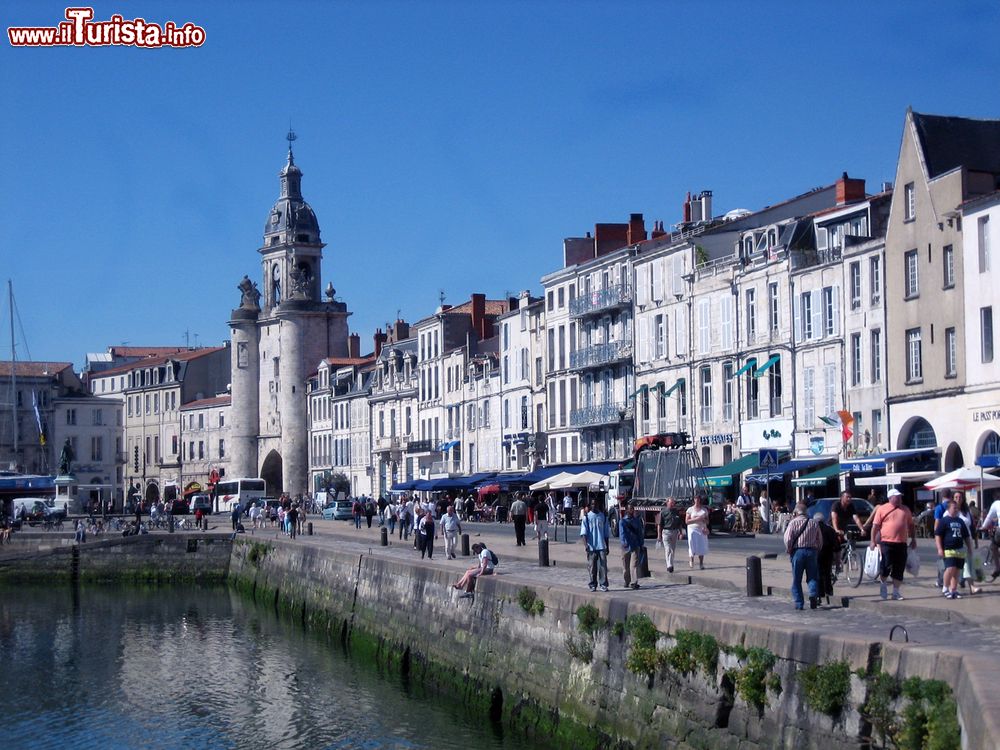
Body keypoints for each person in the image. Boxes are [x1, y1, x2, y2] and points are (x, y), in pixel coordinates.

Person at [869, 488, 917, 601]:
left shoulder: (905, 509)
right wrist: (872, 541)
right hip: (886, 542)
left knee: (899, 569)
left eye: (900, 497)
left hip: (901, 543)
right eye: (897, 497)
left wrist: (913, 539)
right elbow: (875, 526)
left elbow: (911, 525)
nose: (900, 498)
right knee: (886, 565)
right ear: (891, 498)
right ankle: (883, 583)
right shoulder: (882, 509)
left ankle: (896, 592)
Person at [783, 503, 824, 610]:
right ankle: (813, 594)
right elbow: (819, 539)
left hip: (798, 552)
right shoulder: (813, 523)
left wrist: (789, 549)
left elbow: (787, 539)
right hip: (812, 551)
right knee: (812, 577)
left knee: (797, 579)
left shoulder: (793, 523)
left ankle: (799, 603)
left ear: (796, 512)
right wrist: (817, 550)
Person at [935, 498, 974, 599]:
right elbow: (938, 535)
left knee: (957, 571)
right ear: (948, 509)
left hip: (960, 549)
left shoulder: (960, 521)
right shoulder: (944, 521)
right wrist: (939, 548)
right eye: (954, 508)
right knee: (950, 568)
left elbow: (966, 536)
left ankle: (954, 590)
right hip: (948, 549)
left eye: (957, 508)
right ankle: (945, 588)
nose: (956, 510)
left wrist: (969, 547)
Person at [580, 500, 610, 592]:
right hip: (591, 546)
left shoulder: (603, 516)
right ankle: (593, 584)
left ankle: (603, 584)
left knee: (603, 566)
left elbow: (606, 534)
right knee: (592, 567)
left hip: (601, 546)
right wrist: (586, 545)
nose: (594, 505)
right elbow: (583, 533)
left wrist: (607, 546)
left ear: (598, 505)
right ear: (590, 505)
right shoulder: (587, 517)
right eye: (592, 504)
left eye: (595, 504)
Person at [956, 496, 981, 595]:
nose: (958, 499)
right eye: (956, 497)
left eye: (960, 497)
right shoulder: (950, 512)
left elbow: (972, 528)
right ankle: (951, 584)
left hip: (967, 540)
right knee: (956, 565)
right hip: (955, 541)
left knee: (968, 564)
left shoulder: (967, 512)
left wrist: (975, 542)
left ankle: (971, 586)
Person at [814, 511, 839, 601]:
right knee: (827, 573)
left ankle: (819, 593)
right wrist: (837, 563)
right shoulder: (830, 530)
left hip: (816, 553)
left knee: (818, 573)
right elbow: (837, 547)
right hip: (828, 554)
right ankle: (828, 591)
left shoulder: (812, 529)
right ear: (823, 520)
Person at [620, 506, 645, 589]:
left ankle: (634, 582)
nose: (631, 511)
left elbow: (640, 533)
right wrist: (624, 543)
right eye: (630, 509)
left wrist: (641, 544)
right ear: (627, 510)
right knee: (625, 566)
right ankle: (627, 581)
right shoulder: (622, 521)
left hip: (635, 545)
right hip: (626, 547)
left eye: (632, 509)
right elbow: (622, 533)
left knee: (633, 565)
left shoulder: (636, 521)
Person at [656, 497, 683, 573]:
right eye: (671, 503)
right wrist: (659, 535)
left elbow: (680, 523)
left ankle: (670, 563)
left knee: (672, 550)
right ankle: (669, 565)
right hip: (666, 532)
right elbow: (659, 524)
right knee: (668, 549)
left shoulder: (676, 512)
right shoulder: (663, 512)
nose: (672, 504)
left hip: (674, 531)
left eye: (673, 503)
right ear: (667, 503)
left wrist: (681, 533)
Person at [685, 495, 710, 569]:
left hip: (701, 529)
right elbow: (687, 521)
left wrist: (703, 520)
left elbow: (707, 521)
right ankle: (691, 560)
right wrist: (697, 519)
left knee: (701, 546)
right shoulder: (690, 509)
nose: (697, 500)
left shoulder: (704, 510)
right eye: (696, 499)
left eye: (699, 499)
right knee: (692, 544)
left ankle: (701, 564)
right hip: (692, 529)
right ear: (694, 500)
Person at [979, 494, 1000, 582]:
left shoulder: (996, 503)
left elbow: (989, 517)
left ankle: (997, 568)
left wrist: (983, 527)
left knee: (993, 546)